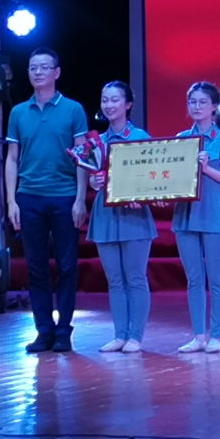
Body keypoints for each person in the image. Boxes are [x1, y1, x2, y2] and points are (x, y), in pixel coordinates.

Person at [5, 48, 89, 353]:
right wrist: (11, 201)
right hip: (29, 197)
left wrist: (80, 199)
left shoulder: (73, 109)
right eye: (32, 68)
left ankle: (64, 330)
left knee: (67, 266)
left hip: (64, 196)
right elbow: (12, 159)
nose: (37, 72)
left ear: (57, 72)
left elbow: (82, 157)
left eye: (44, 67)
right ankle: (43, 330)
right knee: (36, 268)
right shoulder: (18, 112)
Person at [85, 82, 156, 354]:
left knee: (135, 277)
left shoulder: (140, 137)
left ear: (128, 104)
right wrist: (94, 181)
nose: (109, 105)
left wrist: (143, 193)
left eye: (115, 99)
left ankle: (135, 337)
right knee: (114, 280)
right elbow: (93, 178)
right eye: (105, 100)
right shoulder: (98, 142)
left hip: (134, 215)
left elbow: (151, 177)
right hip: (106, 215)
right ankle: (119, 335)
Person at [172, 82, 220, 354]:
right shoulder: (181, 139)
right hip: (185, 215)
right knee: (193, 279)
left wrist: (207, 169)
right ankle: (198, 336)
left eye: (202, 102)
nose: (196, 107)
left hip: (212, 214)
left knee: (217, 279)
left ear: (214, 107)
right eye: (192, 102)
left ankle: (217, 336)